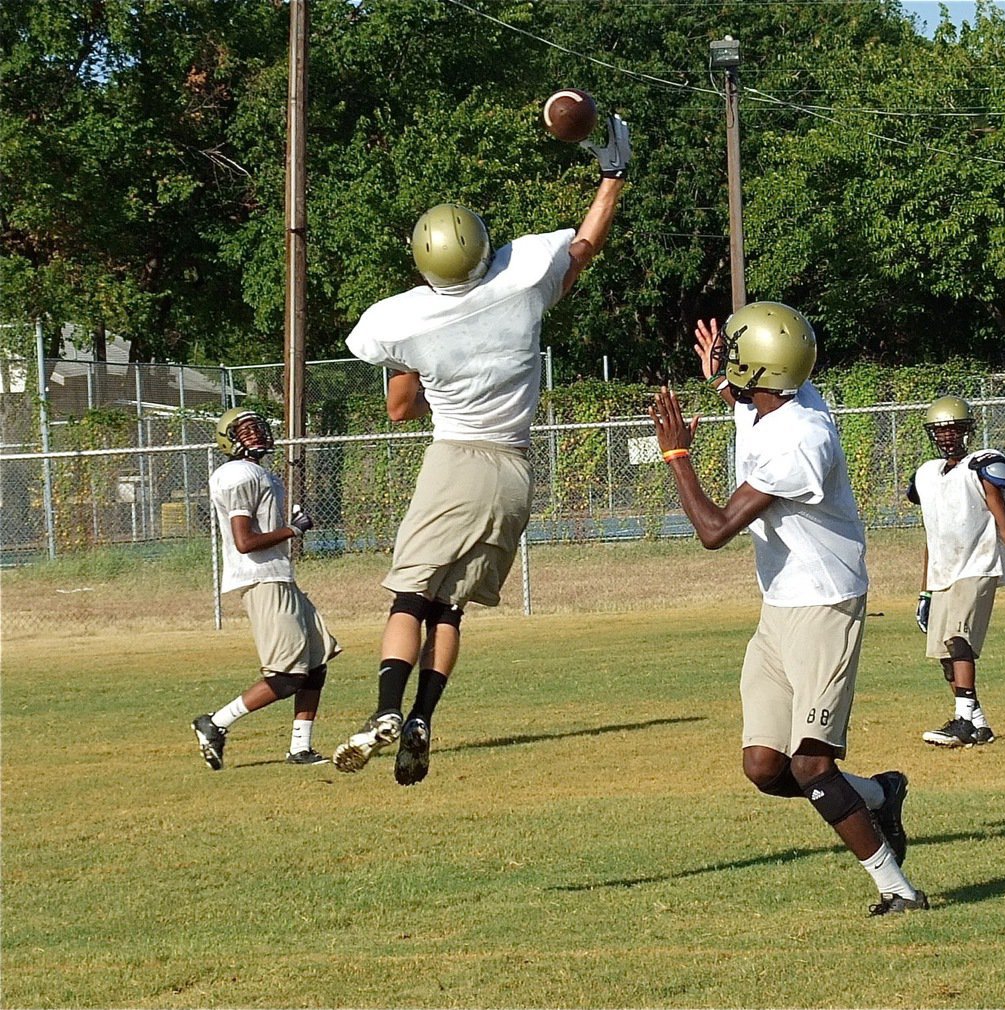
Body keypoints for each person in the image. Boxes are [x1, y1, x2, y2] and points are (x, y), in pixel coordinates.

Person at [332, 114, 631, 785]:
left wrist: (420, 360)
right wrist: (612, 175)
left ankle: (386, 709)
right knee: (452, 608)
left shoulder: (404, 320)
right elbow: (580, 250)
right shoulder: (522, 285)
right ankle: (424, 719)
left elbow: (400, 407)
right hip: (516, 471)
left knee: (410, 598)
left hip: (456, 460)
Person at [649, 301, 927, 917]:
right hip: (780, 605)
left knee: (812, 766)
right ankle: (880, 794)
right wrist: (724, 380)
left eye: (737, 356)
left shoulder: (802, 437)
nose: (730, 367)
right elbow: (752, 407)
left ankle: (898, 890)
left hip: (824, 604)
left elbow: (715, 528)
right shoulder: (779, 403)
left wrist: (677, 457)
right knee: (764, 767)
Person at [191, 407, 339, 770]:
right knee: (288, 674)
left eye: (258, 428)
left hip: (279, 575)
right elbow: (245, 540)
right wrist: (294, 529)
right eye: (247, 430)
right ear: (230, 439)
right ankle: (216, 722)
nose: (257, 434)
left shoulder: (257, 472)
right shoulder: (238, 473)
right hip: (262, 579)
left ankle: (300, 748)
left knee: (316, 663)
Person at [907, 395, 1005, 748]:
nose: (947, 436)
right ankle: (979, 723)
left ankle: (963, 722)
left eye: (953, 429)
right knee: (944, 656)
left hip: (978, 564)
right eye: (940, 430)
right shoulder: (926, 474)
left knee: (958, 639)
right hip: (944, 572)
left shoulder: (981, 466)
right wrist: (925, 592)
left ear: (967, 430)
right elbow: (932, 537)